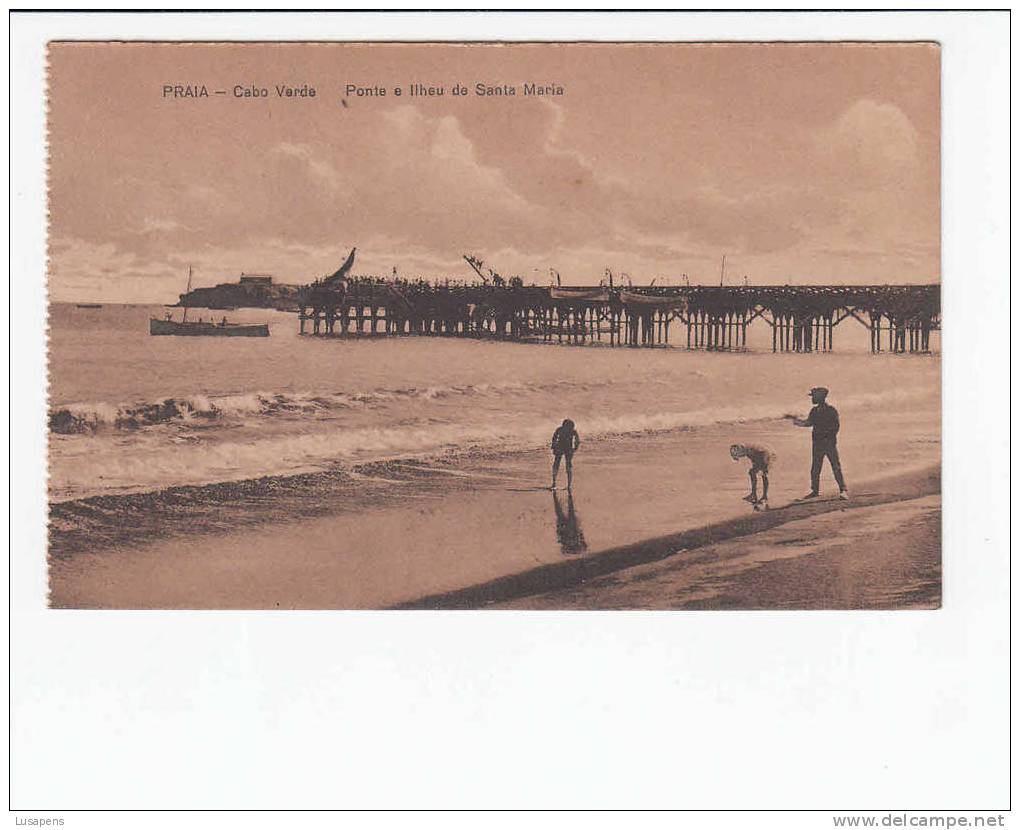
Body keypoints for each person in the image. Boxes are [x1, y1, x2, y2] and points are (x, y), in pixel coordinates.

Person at [785, 386, 849, 500]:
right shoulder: (814, 411)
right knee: (816, 468)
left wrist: (827, 437)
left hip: (828, 443)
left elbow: (836, 427)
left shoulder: (831, 410)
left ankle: (843, 490)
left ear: (820, 397)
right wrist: (794, 420)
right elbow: (808, 423)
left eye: (813, 396)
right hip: (818, 443)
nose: (812, 399)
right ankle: (815, 491)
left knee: (835, 466)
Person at [551, 418, 581, 490]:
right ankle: (555, 483)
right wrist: (553, 446)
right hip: (561, 447)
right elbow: (554, 438)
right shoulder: (561, 430)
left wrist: (575, 448)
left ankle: (568, 485)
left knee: (566, 465)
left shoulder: (570, 431)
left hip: (566, 448)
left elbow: (577, 440)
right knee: (558, 464)